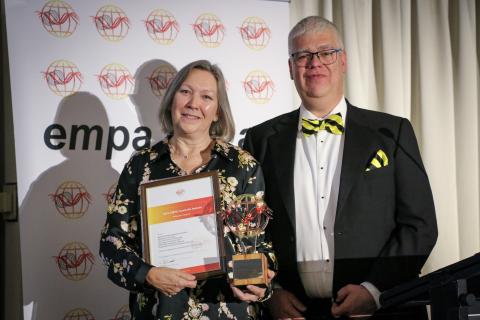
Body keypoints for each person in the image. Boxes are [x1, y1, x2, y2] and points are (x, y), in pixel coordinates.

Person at [243, 16, 438, 320]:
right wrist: (271, 292)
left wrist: (374, 290)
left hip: (380, 309)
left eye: (326, 53)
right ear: (291, 68)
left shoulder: (391, 131)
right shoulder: (260, 139)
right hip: (294, 313)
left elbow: (420, 226)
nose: (314, 63)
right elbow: (245, 232)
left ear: (343, 60)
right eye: (303, 55)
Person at [100, 60, 276, 319]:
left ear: (217, 111)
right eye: (185, 92)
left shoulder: (242, 166)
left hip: (225, 311)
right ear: (172, 100)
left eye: (206, 96)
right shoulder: (140, 166)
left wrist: (260, 283)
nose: (193, 103)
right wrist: (146, 273)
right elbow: (112, 243)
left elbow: (260, 245)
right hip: (160, 310)